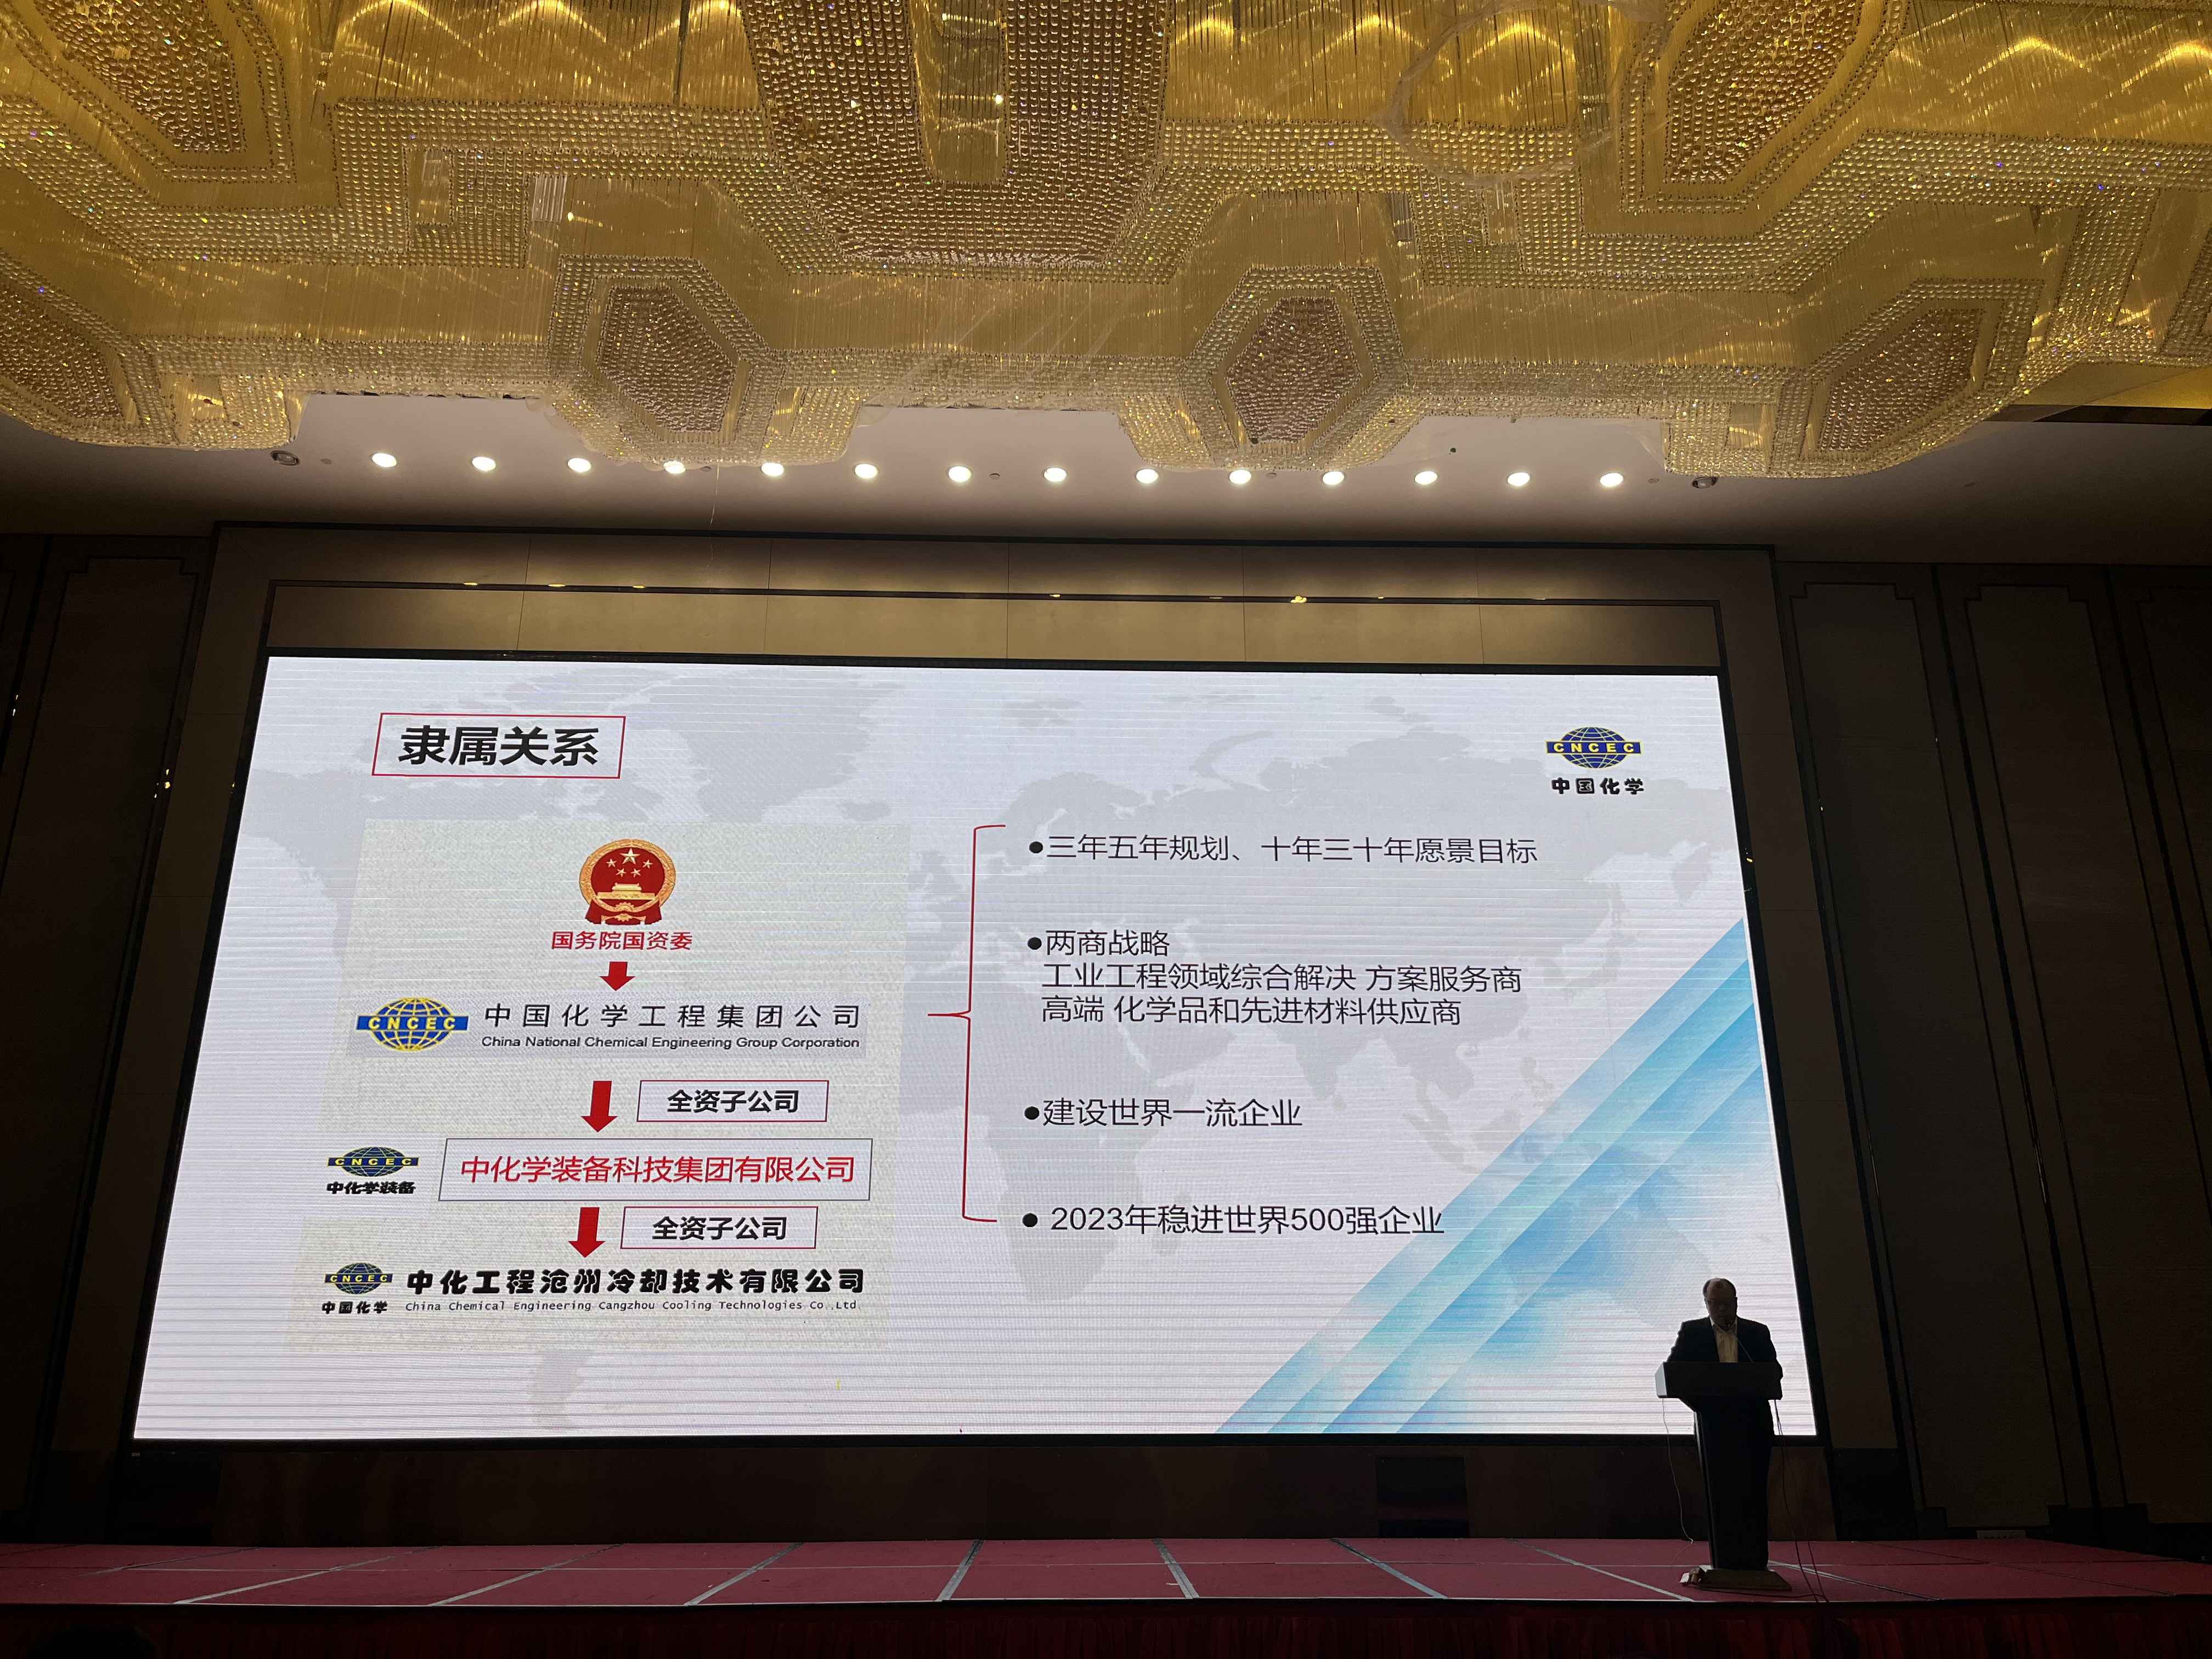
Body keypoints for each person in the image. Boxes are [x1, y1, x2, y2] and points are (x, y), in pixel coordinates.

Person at [1668, 1278, 1779, 1578]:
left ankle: (1756, 1563)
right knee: (1721, 1494)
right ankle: (1726, 1562)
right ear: (1706, 1304)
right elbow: (1674, 1373)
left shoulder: (1756, 1332)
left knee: (1754, 1493)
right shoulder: (1692, 1332)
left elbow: (1775, 1372)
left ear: (1736, 1302)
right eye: (1714, 1304)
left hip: (1753, 1425)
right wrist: (1703, 1407)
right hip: (1713, 1427)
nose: (1720, 1309)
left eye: (1726, 1303)